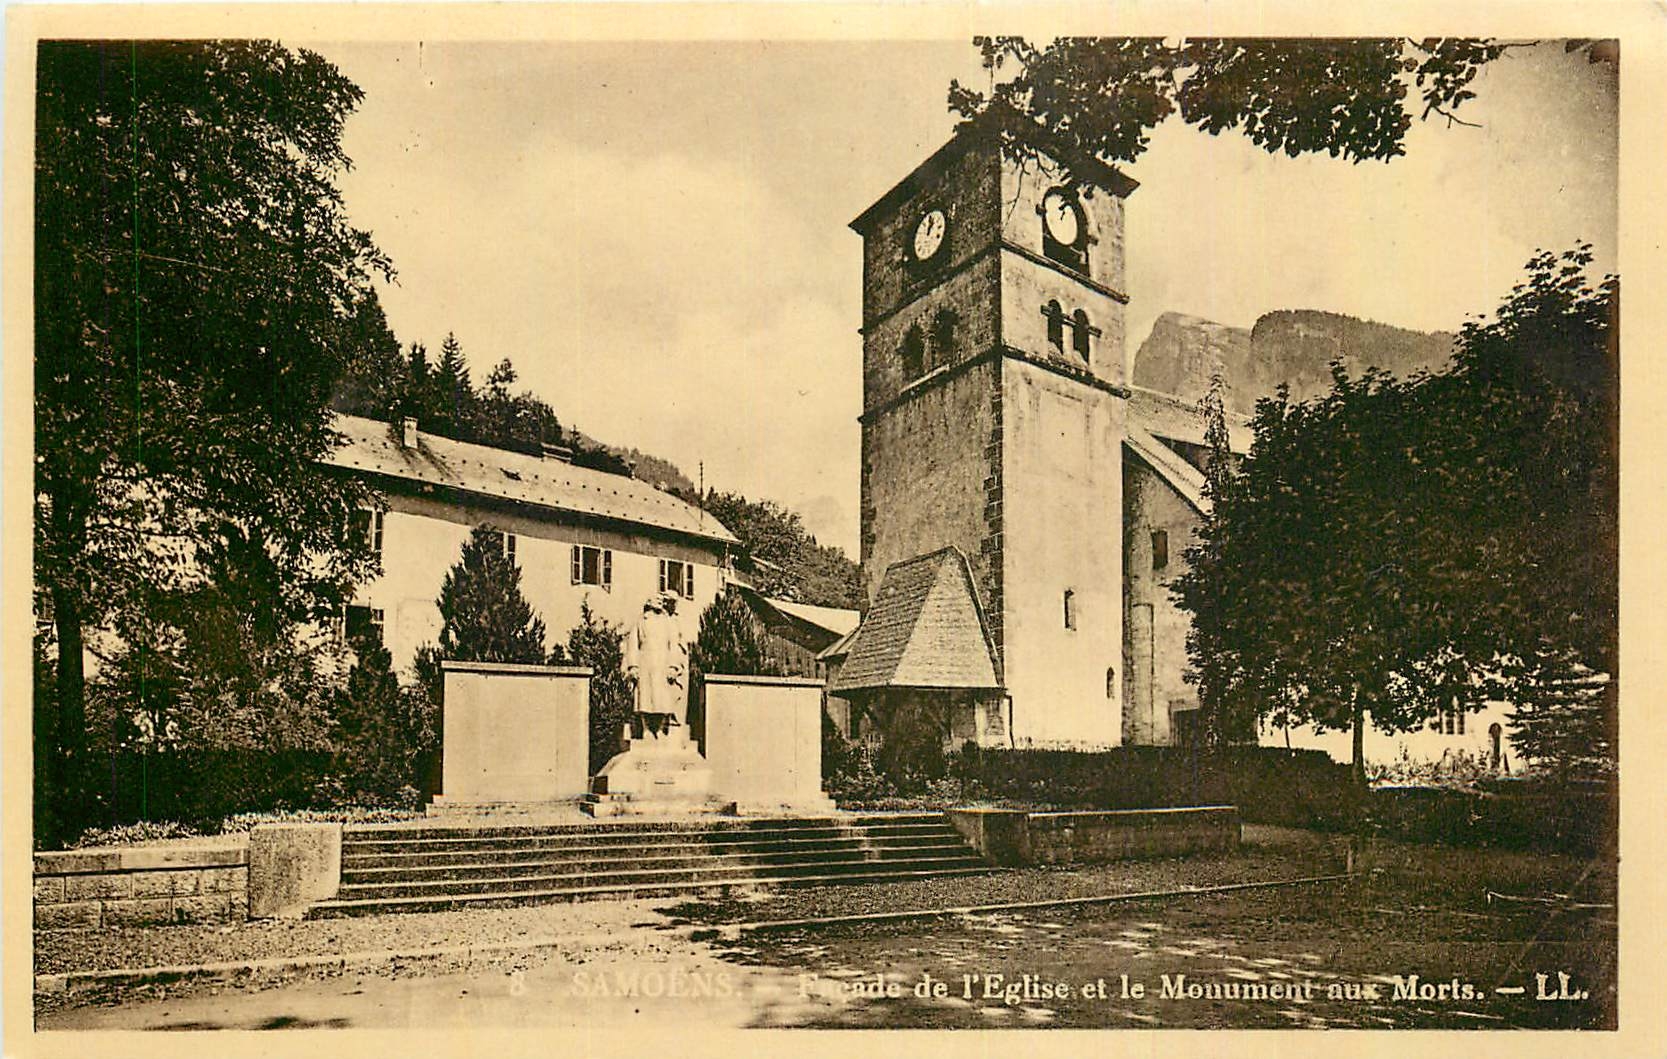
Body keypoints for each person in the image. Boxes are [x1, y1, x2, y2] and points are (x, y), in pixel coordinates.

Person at [623, 593, 688, 739]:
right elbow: (632, 645)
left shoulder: (668, 622)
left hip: (663, 663)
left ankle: (660, 729)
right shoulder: (640, 622)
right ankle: (646, 729)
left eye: (661, 600)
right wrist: (633, 666)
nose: (659, 602)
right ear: (649, 603)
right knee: (644, 698)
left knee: (663, 698)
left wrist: (673, 666)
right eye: (656, 599)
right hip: (645, 663)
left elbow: (673, 646)